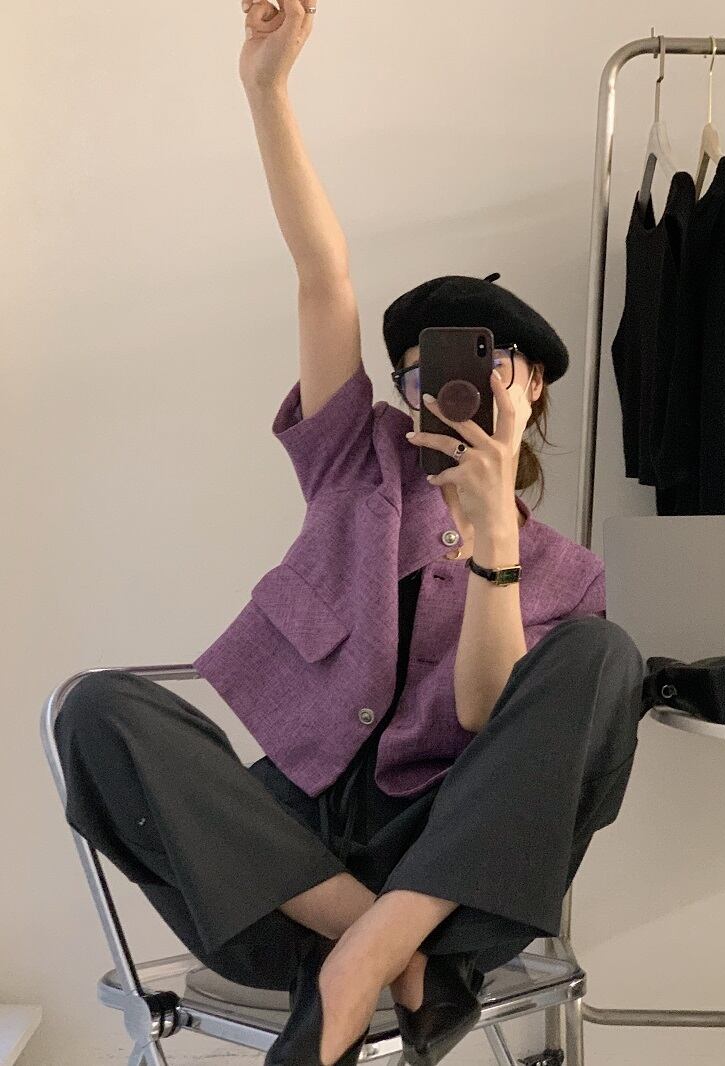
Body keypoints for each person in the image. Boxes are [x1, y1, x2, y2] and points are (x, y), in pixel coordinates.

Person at [53, 4, 647, 1066]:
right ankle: (374, 951)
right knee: (97, 707)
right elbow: (323, 276)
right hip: (281, 874)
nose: (449, 385)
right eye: (424, 369)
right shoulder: (355, 460)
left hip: (455, 876)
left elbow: (484, 719)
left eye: (485, 362)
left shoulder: (566, 571)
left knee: (604, 659)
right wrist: (267, 89)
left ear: (530, 387)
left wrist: (492, 535)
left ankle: (376, 947)